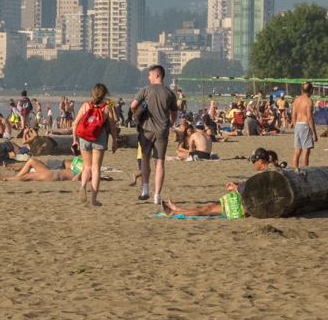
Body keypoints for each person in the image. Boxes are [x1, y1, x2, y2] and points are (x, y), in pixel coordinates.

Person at [159, 149, 282, 217]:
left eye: (254, 162)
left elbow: (254, 191)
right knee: (209, 207)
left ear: (260, 161)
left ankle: (174, 212)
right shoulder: (268, 173)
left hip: (244, 206)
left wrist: (236, 188)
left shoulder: (265, 175)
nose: (253, 164)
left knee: (207, 209)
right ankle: (179, 209)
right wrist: (238, 185)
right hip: (247, 203)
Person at [131, 65, 178, 205]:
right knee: (160, 162)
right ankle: (157, 195)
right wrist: (171, 122)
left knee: (145, 159)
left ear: (157, 75)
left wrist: (139, 116)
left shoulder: (145, 90)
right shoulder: (169, 93)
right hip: (162, 131)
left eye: (150, 74)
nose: (148, 77)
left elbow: (133, 106)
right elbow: (174, 113)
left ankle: (145, 189)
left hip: (146, 129)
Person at [73, 83, 120, 207]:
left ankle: (83, 186)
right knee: (96, 169)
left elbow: (75, 123)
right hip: (99, 139)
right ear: (105, 94)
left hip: (84, 138)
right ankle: (93, 200)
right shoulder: (107, 108)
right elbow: (112, 127)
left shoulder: (85, 105)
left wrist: (75, 140)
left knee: (86, 167)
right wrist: (115, 141)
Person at [291, 82, 318, 168]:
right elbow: (310, 118)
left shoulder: (296, 100)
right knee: (305, 151)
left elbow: (293, 116)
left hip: (298, 125)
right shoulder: (308, 101)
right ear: (311, 90)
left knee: (297, 151)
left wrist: (295, 126)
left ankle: (294, 170)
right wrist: (314, 133)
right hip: (305, 125)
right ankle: (305, 170)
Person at [0, 155, 84, 182]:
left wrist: (79, 174)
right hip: (53, 172)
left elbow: (76, 178)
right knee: (31, 160)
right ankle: (16, 177)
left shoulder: (86, 173)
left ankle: (6, 179)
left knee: (29, 176)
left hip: (56, 175)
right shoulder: (85, 168)